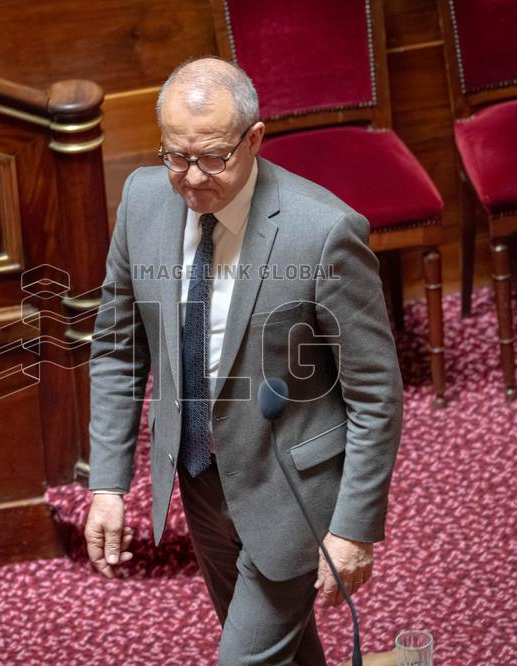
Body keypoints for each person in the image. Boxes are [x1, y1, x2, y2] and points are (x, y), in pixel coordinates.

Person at [84, 57, 403, 665]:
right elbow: (118, 350)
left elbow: (375, 393)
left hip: (293, 491)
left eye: (212, 158)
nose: (192, 178)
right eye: (176, 156)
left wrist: (354, 526)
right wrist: (108, 482)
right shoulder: (142, 201)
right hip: (199, 480)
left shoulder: (324, 231)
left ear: (254, 139)